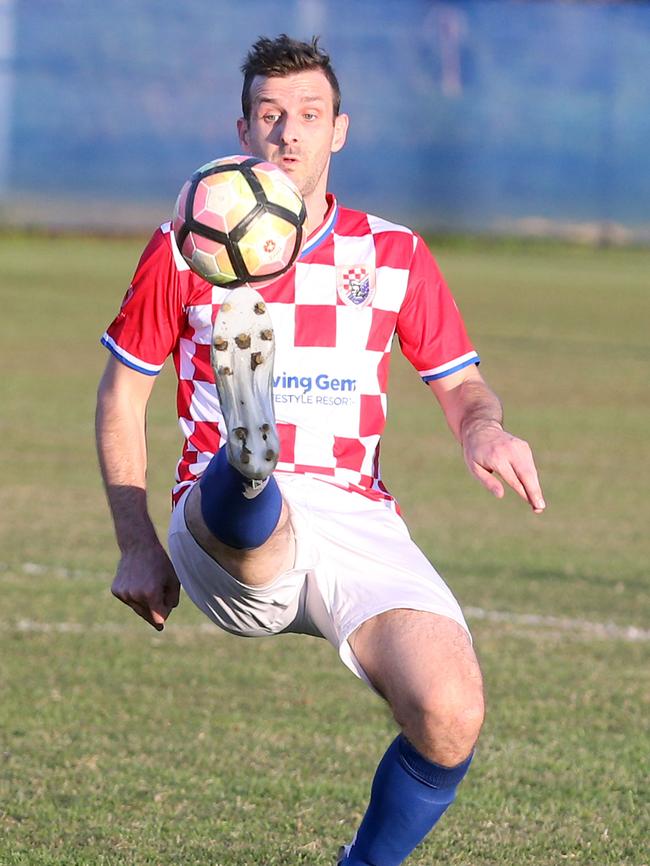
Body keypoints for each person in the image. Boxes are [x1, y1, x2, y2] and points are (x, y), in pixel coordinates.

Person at [96, 34, 546, 866]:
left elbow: (461, 385)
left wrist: (483, 426)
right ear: (243, 129)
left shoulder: (395, 253)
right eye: (270, 116)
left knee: (451, 714)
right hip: (220, 527)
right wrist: (135, 543)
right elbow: (122, 396)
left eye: (309, 115)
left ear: (340, 129)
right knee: (255, 515)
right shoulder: (181, 246)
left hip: (357, 516)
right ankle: (248, 457)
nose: (288, 135)